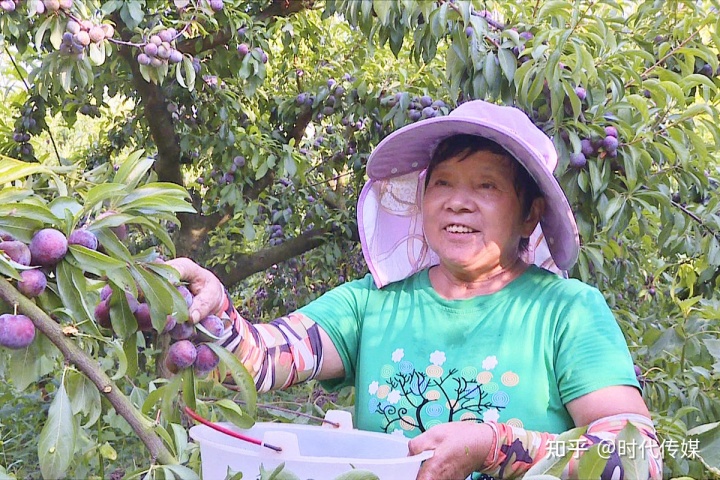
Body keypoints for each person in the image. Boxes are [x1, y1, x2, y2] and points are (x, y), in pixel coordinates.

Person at [168, 100, 663, 480]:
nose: (458, 203)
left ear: (530, 212)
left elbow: (637, 453)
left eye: (487, 186)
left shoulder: (566, 313)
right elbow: (259, 358)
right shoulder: (373, 302)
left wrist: (496, 445)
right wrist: (208, 314)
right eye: (444, 183)